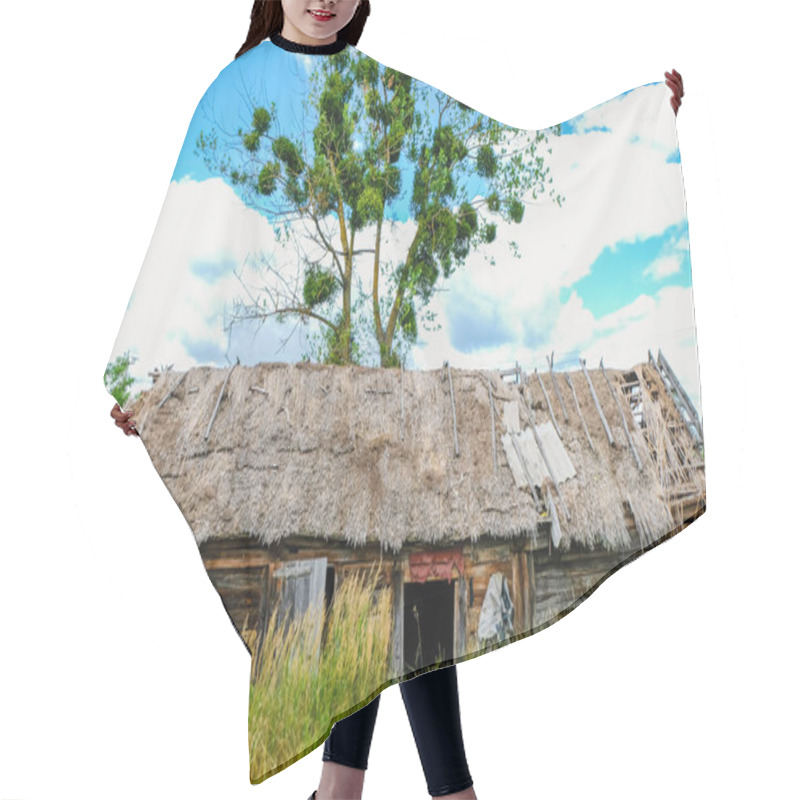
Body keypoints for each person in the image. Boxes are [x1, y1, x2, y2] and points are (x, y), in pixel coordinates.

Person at [109, 2, 685, 798]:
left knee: (412, 579)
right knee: (371, 587)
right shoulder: (234, 95)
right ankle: (418, 792)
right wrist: (147, 377)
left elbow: (499, 161)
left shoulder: (382, 95)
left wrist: (637, 128)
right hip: (300, 405)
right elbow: (189, 242)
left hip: (391, 389)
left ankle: (355, 790)